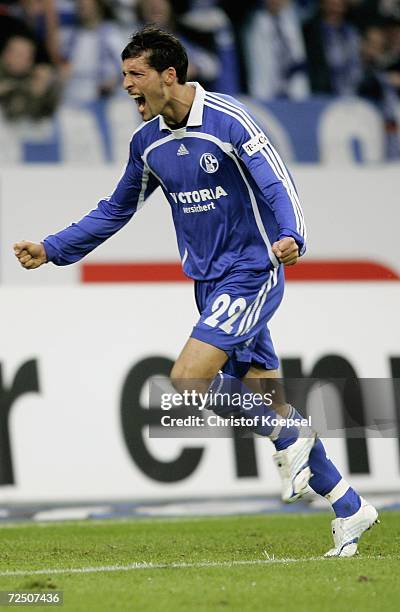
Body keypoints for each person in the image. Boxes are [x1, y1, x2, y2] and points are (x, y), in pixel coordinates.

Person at [14, 25, 378, 557]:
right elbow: (116, 209)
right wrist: (53, 248)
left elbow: (276, 180)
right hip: (208, 285)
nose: (126, 86)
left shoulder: (228, 121)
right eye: (122, 76)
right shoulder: (148, 143)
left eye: (135, 75)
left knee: (187, 383)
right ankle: (350, 507)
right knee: (265, 402)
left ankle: (291, 436)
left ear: (169, 75)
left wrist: (291, 234)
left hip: (252, 270)